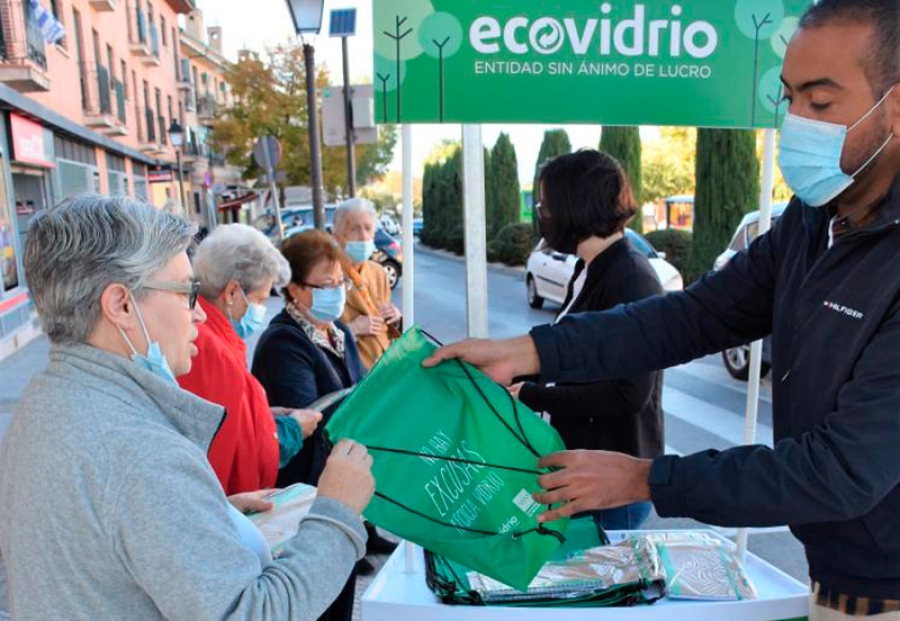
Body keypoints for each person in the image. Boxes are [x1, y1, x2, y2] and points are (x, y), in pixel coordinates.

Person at [425, 2, 900, 618]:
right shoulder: (811, 223)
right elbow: (692, 316)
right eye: (789, 100)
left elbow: (839, 470)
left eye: (821, 101)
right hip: (836, 581)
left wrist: (643, 479)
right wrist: (531, 351)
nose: (797, 123)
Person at [0, 195, 374, 621]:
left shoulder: (47, 398)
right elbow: (254, 614)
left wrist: (209, 515)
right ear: (121, 305)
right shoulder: (139, 450)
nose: (198, 315)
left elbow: (102, 540)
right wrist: (337, 514)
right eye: (185, 293)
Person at [510, 150, 664, 531]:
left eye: (546, 204)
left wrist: (531, 394)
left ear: (573, 206)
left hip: (611, 487)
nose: (541, 213)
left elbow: (628, 393)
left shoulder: (630, 277)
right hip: (584, 474)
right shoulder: (589, 267)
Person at [251, 229, 369, 612]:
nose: (336, 291)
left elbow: (361, 385)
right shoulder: (284, 342)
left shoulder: (339, 332)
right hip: (304, 499)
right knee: (318, 602)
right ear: (294, 289)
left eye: (340, 281)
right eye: (325, 284)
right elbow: (312, 415)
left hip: (338, 489)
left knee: (341, 592)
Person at [178, 224, 322, 496]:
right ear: (232, 292)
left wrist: (262, 417)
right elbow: (234, 454)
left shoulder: (210, 337)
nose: (261, 309)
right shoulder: (212, 351)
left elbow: (225, 420)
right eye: (258, 299)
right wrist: (289, 431)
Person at [332, 198, 402, 370]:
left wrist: (396, 317)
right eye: (354, 229)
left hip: (385, 367)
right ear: (337, 236)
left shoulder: (378, 272)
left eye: (368, 228)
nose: (363, 236)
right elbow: (316, 336)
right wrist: (352, 329)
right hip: (352, 373)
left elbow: (386, 327)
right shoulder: (327, 275)